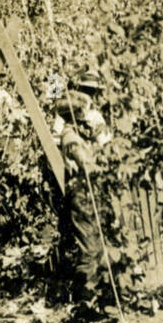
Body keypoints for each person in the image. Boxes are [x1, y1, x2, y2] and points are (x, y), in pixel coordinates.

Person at [54, 76, 109, 301]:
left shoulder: (80, 133)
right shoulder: (70, 137)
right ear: (77, 115)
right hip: (80, 193)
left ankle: (90, 291)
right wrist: (100, 166)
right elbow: (84, 163)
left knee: (95, 242)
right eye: (84, 113)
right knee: (88, 244)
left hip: (88, 191)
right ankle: (83, 295)